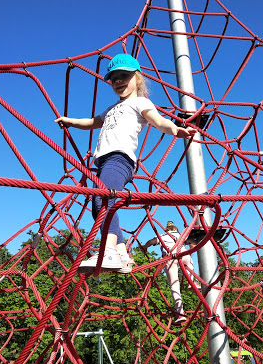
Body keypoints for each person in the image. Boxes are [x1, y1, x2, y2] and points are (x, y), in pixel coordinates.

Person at [55, 54, 197, 274]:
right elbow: (93, 122)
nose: (119, 81)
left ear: (137, 78)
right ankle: (121, 254)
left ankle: (108, 250)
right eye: (114, 78)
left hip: (120, 158)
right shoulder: (110, 109)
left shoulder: (140, 102)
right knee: (99, 204)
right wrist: (71, 121)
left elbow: (158, 121)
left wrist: (175, 129)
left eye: (124, 75)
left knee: (103, 198)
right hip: (103, 161)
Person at [141, 221, 194, 325]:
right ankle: (191, 281)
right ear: (175, 229)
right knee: (190, 262)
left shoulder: (163, 236)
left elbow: (151, 241)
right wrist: (192, 249)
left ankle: (180, 313)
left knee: (175, 286)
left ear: (166, 229)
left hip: (170, 258)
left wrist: (145, 247)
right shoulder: (180, 234)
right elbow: (191, 244)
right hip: (183, 254)